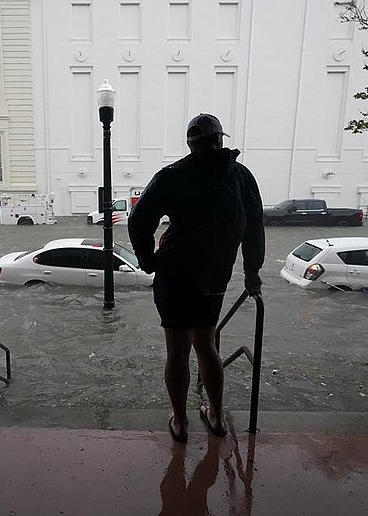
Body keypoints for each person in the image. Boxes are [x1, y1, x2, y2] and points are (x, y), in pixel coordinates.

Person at [128, 113, 265, 443]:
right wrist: (251, 272)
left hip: (174, 275)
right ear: (221, 140)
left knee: (177, 350)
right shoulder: (242, 177)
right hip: (215, 276)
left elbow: (137, 221)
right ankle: (216, 418)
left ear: (190, 144)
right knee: (206, 345)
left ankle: (180, 422)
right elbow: (254, 227)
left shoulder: (172, 176)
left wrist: (147, 260)